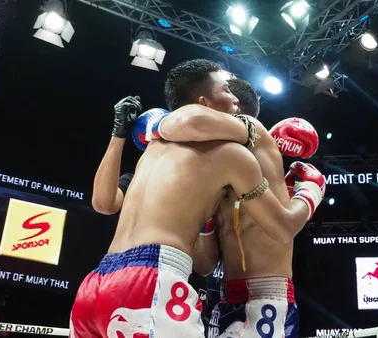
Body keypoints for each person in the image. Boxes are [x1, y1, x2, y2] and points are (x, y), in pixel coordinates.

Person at [70, 59, 325, 338]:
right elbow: (283, 226)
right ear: (203, 103)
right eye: (227, 92)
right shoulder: (232, 153)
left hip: (97, 283)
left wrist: (144, 126)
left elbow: (203, 263)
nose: (235, 103)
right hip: (152, 281)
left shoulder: (155, 148)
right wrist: (310, 191)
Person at [142, 76, 320, 338]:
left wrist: (310, 191)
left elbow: (284, 228)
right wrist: (206, 218)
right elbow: (204, 265)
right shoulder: (216, 170)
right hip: (225, 299)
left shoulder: (259, 147)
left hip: (267, 298)